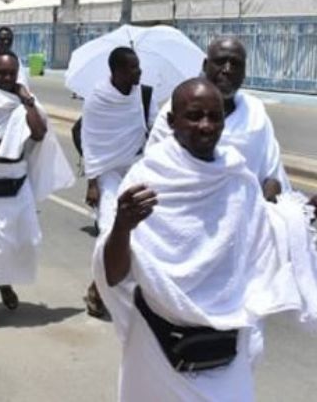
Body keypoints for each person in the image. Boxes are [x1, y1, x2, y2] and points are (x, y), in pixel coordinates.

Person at [93, 78, 317, 402]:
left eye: (215, 116)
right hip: (157, 347)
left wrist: (304, 215)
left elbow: (269, 234)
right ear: (171, 122)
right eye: (194, 115)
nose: (206, 125)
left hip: (226, 348)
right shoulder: (147, 178)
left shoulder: (237, 177)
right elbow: (113, 275)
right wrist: (122, 227)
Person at [0, 52, 73, 329]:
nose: (7, 78)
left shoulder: (23, 103)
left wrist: (26, 99)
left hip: (17, 183)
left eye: (12, 73)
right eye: (1, 73)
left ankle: (5, 282)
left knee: (23, 242)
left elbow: (40, 133)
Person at [148, 37, 289, 199]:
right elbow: (154, 167)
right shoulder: (178, 107)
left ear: (244, 73)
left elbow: (272, 174)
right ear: (205, 66)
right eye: (220, 61)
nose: (227, 69)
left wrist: (270, 193)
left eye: (235, 64)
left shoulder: (256, 113)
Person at [80, 47, 156, 318]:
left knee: (145, 231)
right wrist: (92, 182)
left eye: (139, 66)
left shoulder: (144, 95)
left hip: (137, 167)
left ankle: (107, 287)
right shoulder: (97, 99)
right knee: (109, 227)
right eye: (133, 68)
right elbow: (90, 141)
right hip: (108, 171)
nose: (139, 72)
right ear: (117, 71)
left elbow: (155, 131)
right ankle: (99, 288)